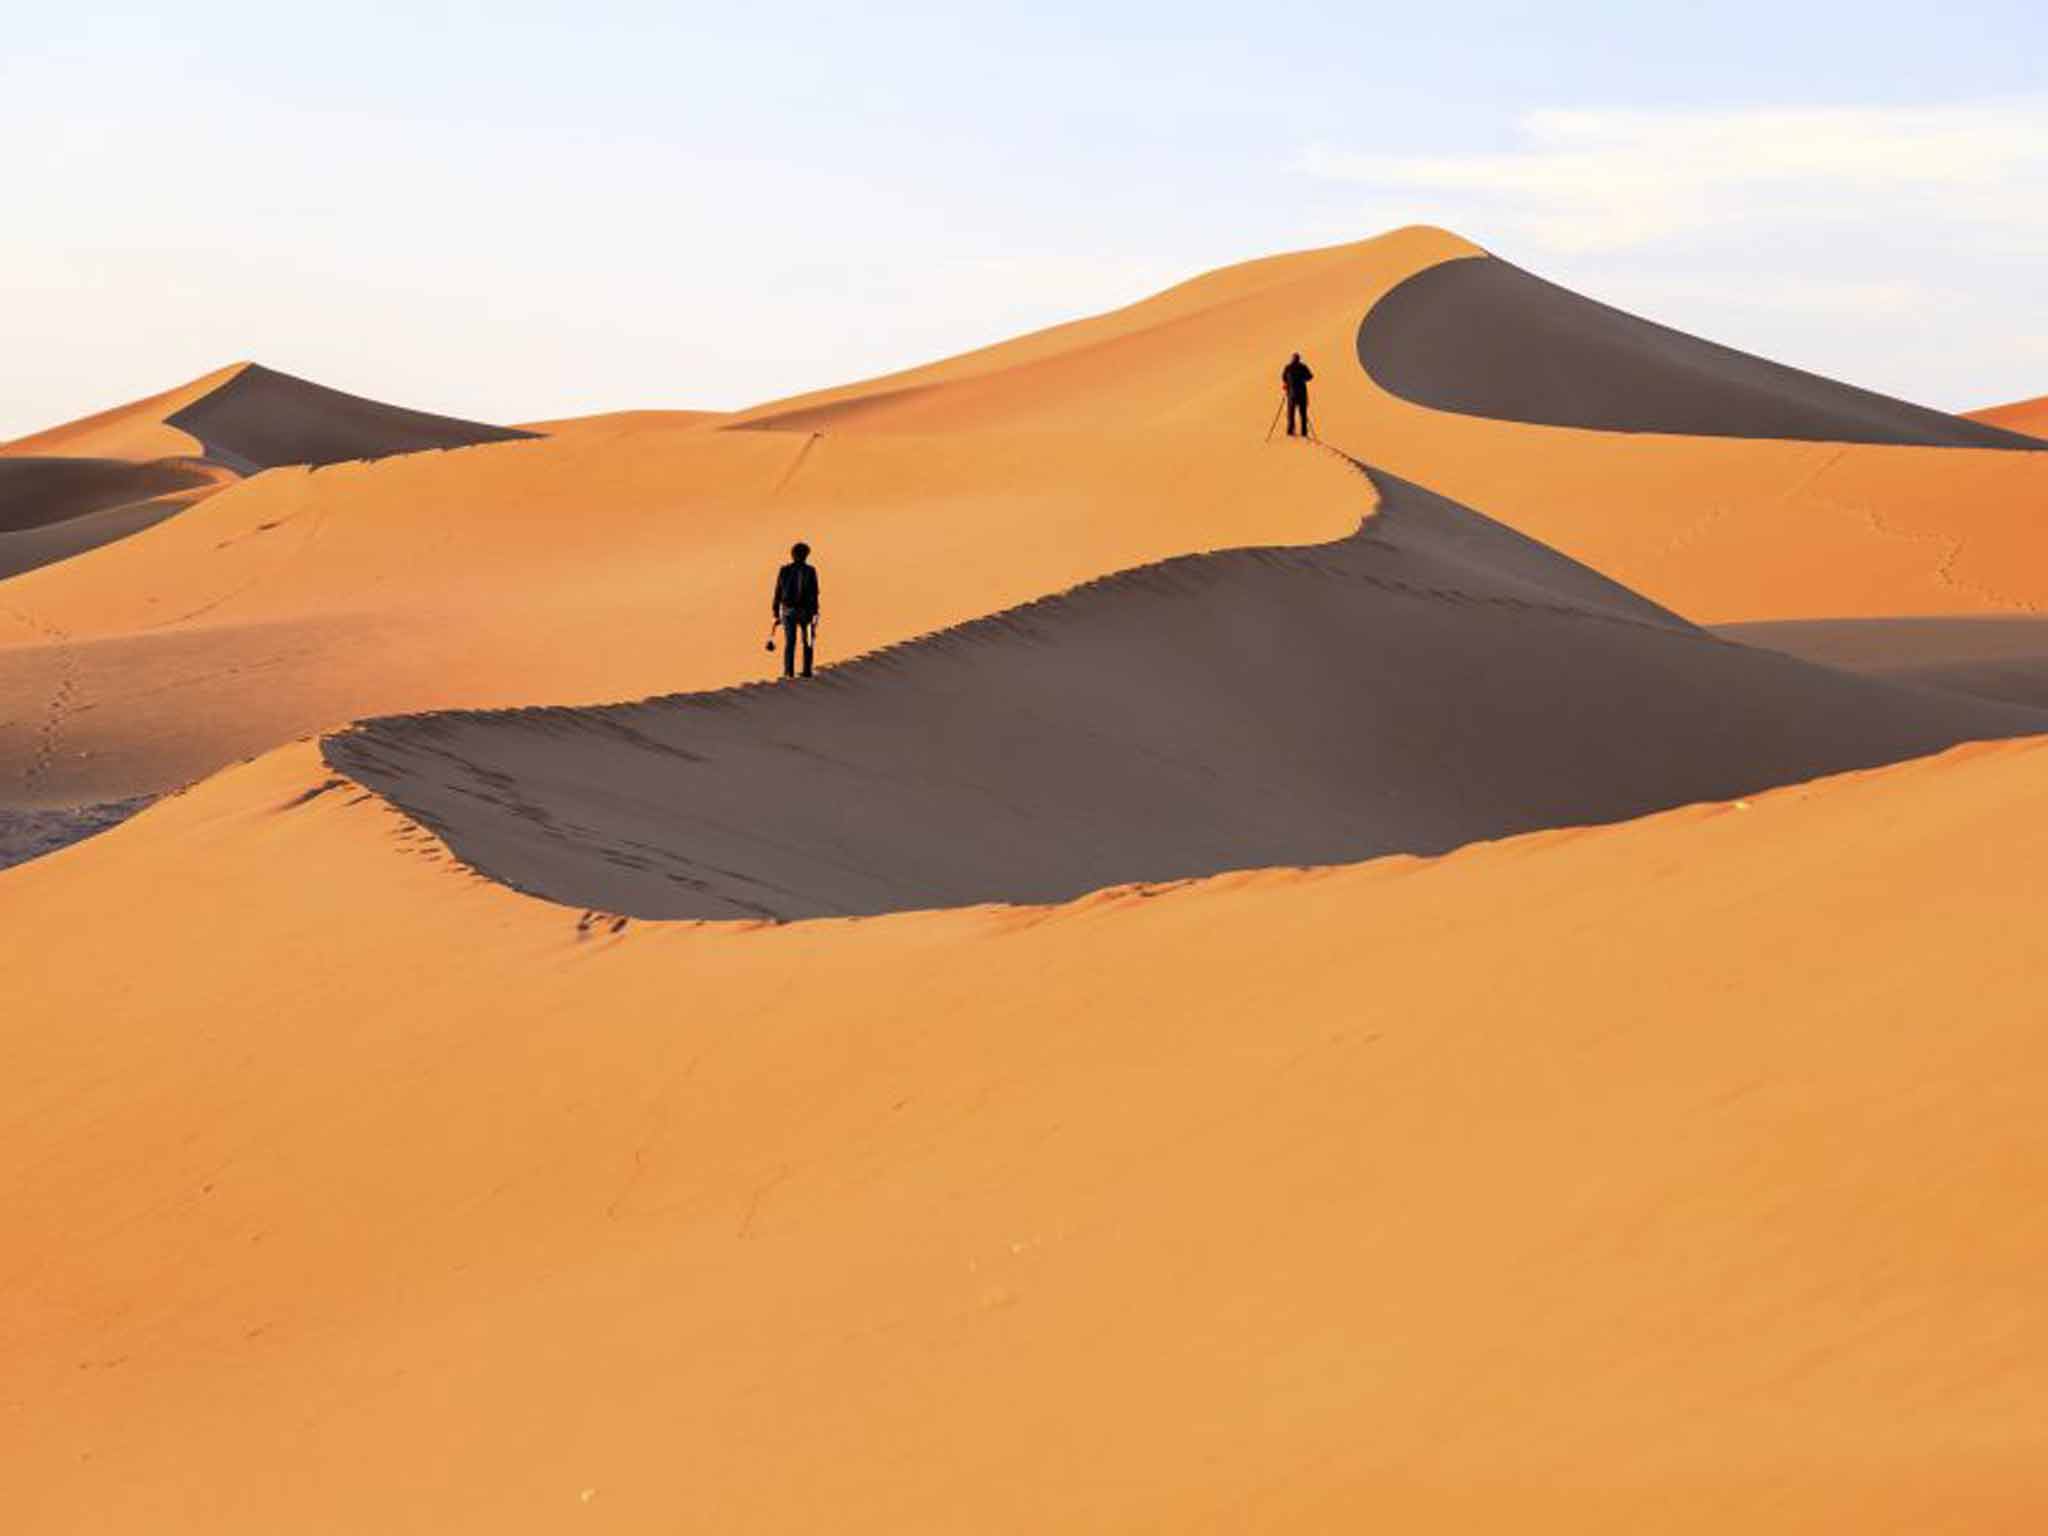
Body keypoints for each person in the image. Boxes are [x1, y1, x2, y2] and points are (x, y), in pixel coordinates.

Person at [771, 541, 821, 679]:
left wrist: (776, 611)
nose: (799, 556)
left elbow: (778, 592)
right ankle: (795, 672)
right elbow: (779, 591)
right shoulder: (788, 570)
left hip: (800, 612)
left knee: (797, 642)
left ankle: (797, 672)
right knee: (800, 642)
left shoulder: (808, 570)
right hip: (796, 611)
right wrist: (776, 611)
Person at [1281, 352, 1314, 438]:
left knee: (1291, 413)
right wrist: (1303, 378)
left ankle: (1290, 430)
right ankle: (1303, 431)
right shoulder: (1302, 367)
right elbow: (1310, 376)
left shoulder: (1288, 367)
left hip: (1292, 394)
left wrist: (1287, 384)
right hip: (1301, 394)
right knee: (1302, 413)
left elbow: (1283, 378)